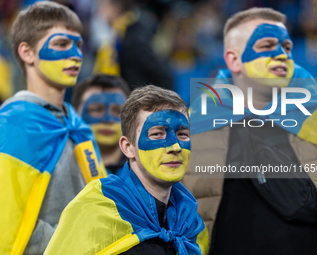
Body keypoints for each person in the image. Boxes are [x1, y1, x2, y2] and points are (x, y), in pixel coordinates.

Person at [183, 7, 317, 255]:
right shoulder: (198, 120)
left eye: (287, 48)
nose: (281, 55)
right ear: (234, 60)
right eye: (267, 46)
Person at [44, 85, 209, 255]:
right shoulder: (93, 211)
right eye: (157, 134)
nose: (175, 146)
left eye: (182, 134)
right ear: (128, 147)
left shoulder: (190, 219)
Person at [0, 2, 106, 254]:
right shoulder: (11, 125)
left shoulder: (80, 128)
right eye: (61, 44)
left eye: (79, 45)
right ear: (27, 53)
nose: (76, 55)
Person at [92, 0, 173, 90]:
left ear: (117, 8)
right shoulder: (118, 35)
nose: (99, 11)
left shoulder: (132, 37)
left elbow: (162, 76)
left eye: (103, 6)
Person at [72, 74, 130, 174]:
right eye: (96, 110)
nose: (108, 119)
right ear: (75, 114)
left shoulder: (146, 171)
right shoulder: (59, 164)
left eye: (117, 111)